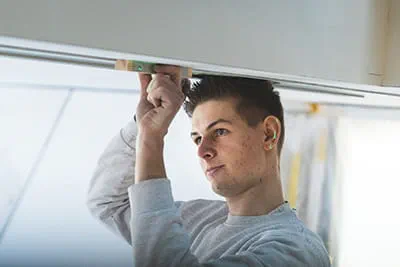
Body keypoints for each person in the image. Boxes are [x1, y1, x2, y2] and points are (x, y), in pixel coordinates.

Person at [87, 63, 331, 266]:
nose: (203, 151)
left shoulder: (296, 251)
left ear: (268, 133)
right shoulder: (198, 220)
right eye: (197, 138)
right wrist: (141, 126)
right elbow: (109, 203)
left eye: (220, 131)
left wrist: (152, 138)